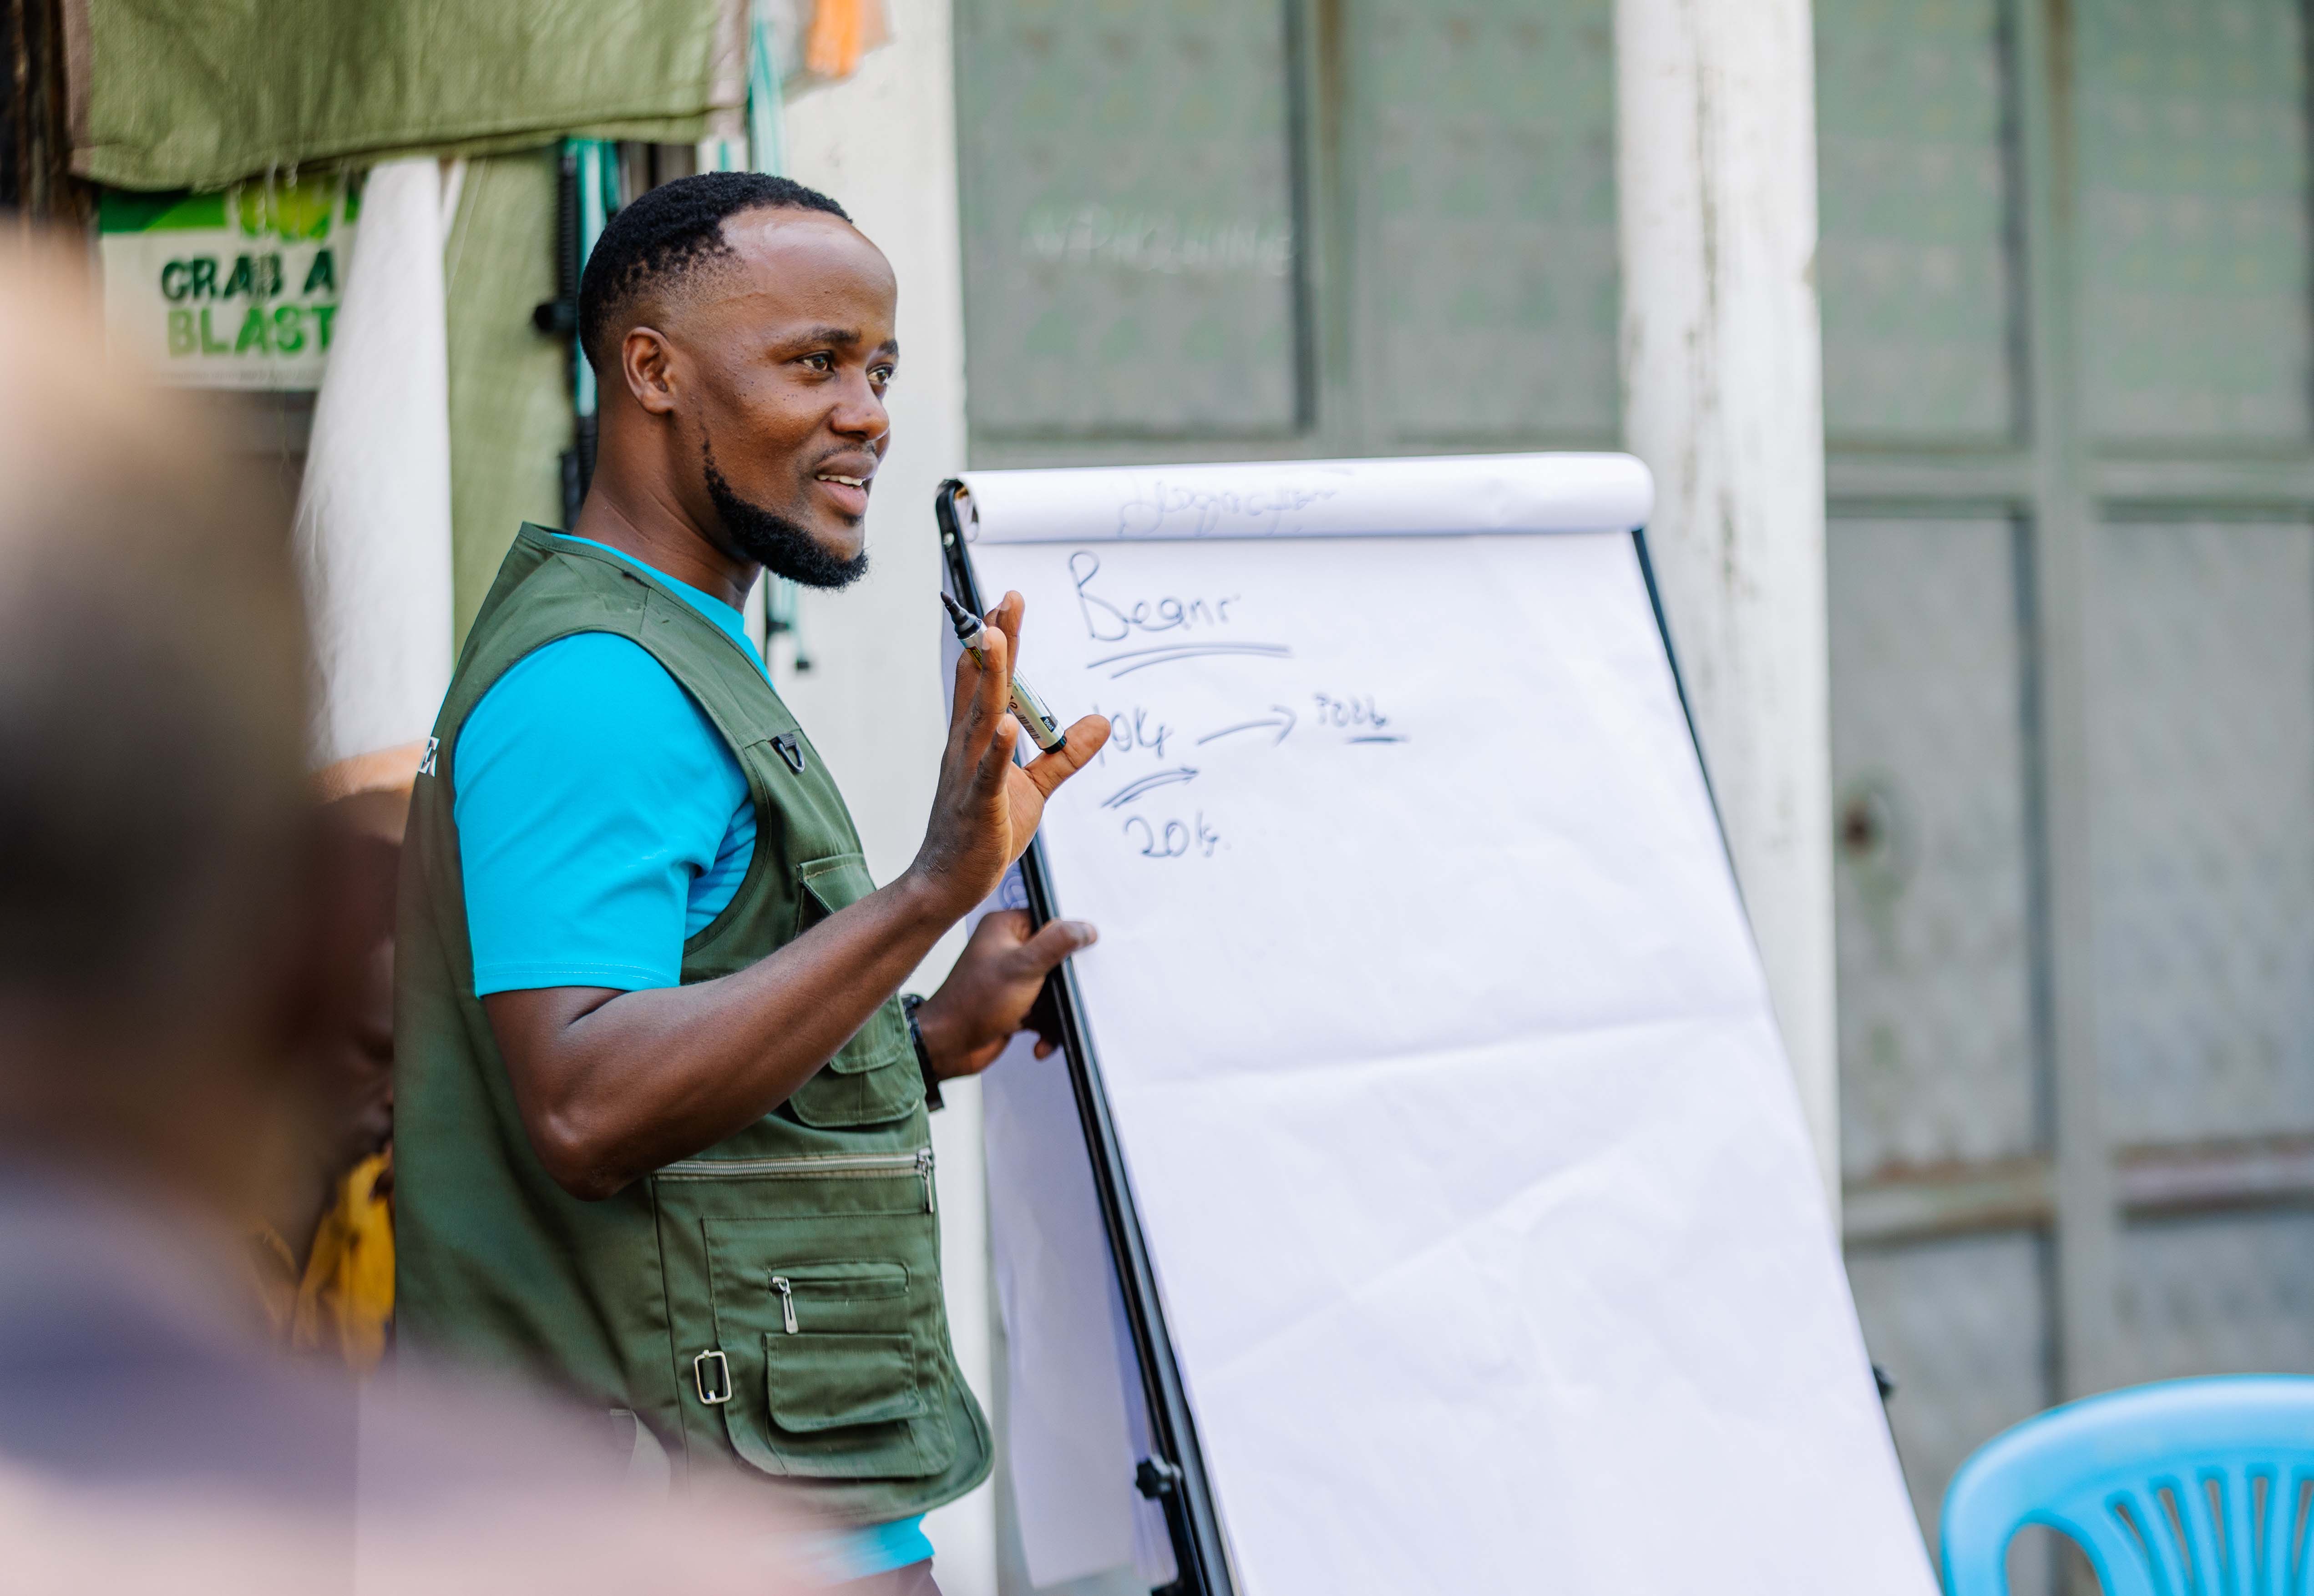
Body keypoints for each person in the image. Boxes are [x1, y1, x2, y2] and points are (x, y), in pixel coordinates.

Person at [393, 171, 1110, 1593]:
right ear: (651, 371)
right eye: (815, 362)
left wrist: (917, 1040)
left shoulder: (665, 652)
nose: (870, 414)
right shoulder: (596, 687)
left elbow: (672, 1055)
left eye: (881, 367)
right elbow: (585, 1100)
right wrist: (920, 896)